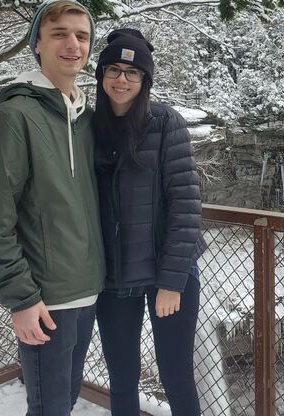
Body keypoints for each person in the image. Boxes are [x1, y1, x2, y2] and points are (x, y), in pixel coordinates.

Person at [0, 0, 105, 416]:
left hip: (88, 290)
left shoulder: (86, 118)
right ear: (37, 44)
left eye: (82, 36)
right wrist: (22, 299)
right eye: (59, 33)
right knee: (49, 408)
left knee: (63, 400)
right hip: (45, 299)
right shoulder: (13, 117)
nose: (73, 45)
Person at [93, 28, 206, 416]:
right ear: (101, 75)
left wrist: (171, 282)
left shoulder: (164, 123)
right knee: (121, 378)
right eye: (113, 69)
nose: (122, 79)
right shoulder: (88, 127)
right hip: (114, 278)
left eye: (133, 72)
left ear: (145, 80)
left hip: (166, 274)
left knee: (176, 376)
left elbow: (186, 205)